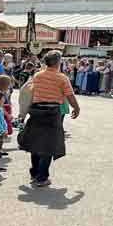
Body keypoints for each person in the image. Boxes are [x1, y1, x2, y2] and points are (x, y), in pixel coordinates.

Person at [20, 51, 80, 187]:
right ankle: (42, 177)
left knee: (35, 142)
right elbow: (70, 96)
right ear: (58, 62)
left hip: (36, 111)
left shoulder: (38, 75)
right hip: (52, 113)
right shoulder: (61, 78)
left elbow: (30, 91)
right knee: (48, 145)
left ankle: (35, 173)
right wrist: (77, 108)